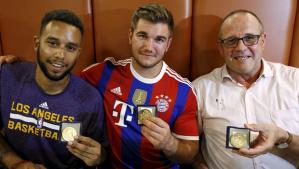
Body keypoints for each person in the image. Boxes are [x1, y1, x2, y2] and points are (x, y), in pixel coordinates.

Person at [80, 3, 199, 169]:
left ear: (168, 44)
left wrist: (170, 143)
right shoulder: (104, 72)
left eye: (159, 39)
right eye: (142, 36)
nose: (149, 47)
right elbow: (64, 86)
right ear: (130, 35)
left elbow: (190, 153)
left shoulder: (184, 90)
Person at [192, 9, 299, 169]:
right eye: (231, 40)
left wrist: (285, 138)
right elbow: (188, 145)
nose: (241, 47)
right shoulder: (200, 89)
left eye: (249, 38)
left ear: (263, 40)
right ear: (220, 48)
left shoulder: (295, 80)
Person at [0, 10, 106, 169]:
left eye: (70, 47)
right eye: (53, 43)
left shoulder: (90, 99)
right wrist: (15, 163)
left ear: (78, 52)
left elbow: (101, 152)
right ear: (37, 43)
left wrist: (99, 157)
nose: (60, 55)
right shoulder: (7, 76)